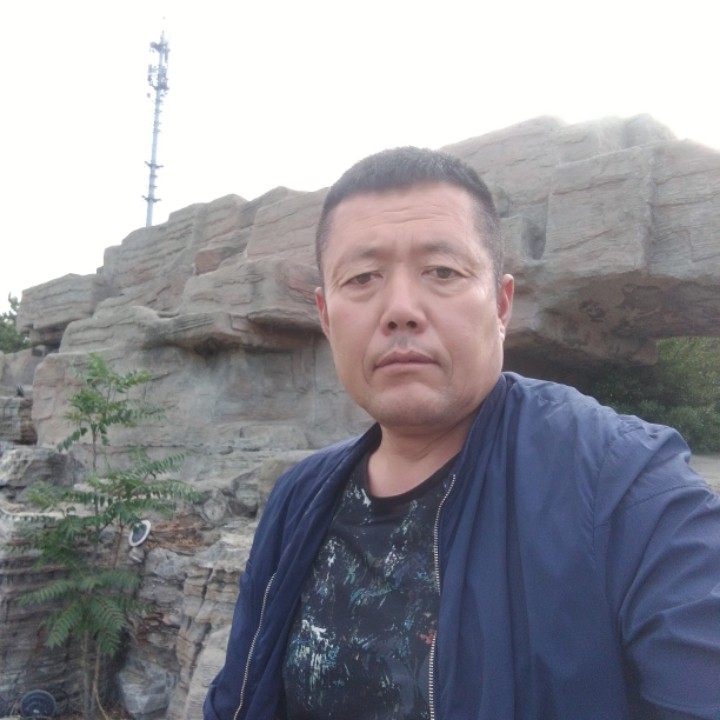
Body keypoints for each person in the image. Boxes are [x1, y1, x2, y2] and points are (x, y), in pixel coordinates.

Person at [204, 147, 720, 720]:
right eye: (363, 278)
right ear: (325, 316)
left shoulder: (624, 485)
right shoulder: (298, 498)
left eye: (443, 272)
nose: (401, 309)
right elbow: (237, 697)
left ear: (501, 305)